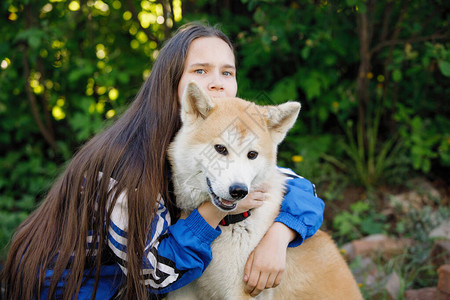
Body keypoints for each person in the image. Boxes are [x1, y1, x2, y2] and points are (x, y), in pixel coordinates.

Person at [1, 22, 324, 300]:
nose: (217, 82)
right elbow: (154, 274)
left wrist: (280, 235)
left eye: (227, 72)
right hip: (71, 288)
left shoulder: (213, 139)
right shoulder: (124, 161)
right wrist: (215, 210)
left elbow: (292, 184)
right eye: (201, 70)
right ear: (171, 80)